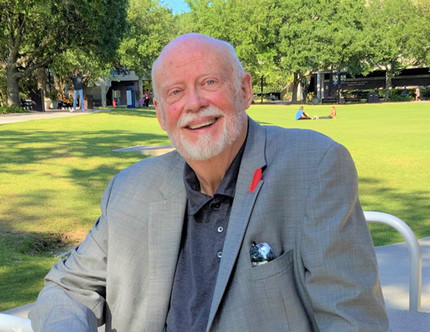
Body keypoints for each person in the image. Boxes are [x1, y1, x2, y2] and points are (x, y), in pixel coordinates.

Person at [29, 33, 388, 331]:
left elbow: (353, 320)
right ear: (159, 113)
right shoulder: (130, 190)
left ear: (244, 91)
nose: (194, 103)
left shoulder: (313, 166)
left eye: (209, 83)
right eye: (175, 92)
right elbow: (67, 288)